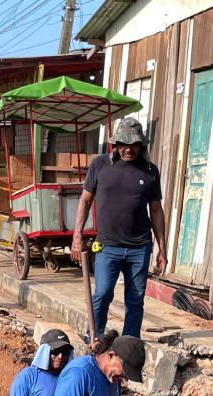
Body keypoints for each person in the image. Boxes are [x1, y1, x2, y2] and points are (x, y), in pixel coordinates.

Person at [72, 117, 169, 339]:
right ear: (115, 144)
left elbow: (156, 210)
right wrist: (77, 236)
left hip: (139, 248)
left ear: (141, 145)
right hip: (107, 246)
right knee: (102, 294)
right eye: (123, 144)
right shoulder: (100, 165)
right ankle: (94, 339)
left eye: (134, 144)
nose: (128, 149)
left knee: (135, 299)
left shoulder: (150, 171)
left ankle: (129, 345)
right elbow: (85, 201)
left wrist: (162, 249)